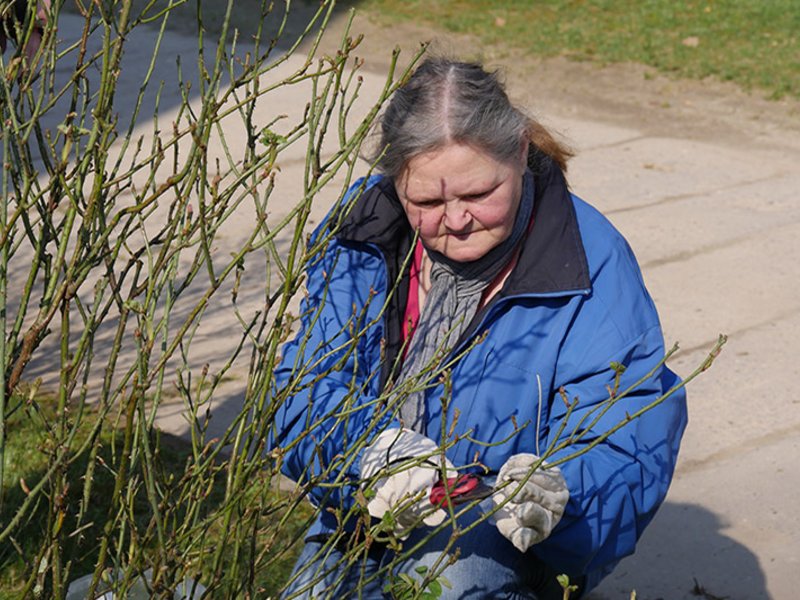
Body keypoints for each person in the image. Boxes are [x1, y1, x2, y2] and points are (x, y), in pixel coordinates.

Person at [270, 58, 687, 599]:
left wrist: (561, 495)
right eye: (426, 201)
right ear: (395, 181)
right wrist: (367, 457)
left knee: (450, 583)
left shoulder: (591, 261)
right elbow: (307, 387)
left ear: (518, 153)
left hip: (509, 537)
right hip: (370, 510)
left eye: (477, 195)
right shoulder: (363, 231)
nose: (457, 219)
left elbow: (630, 435)